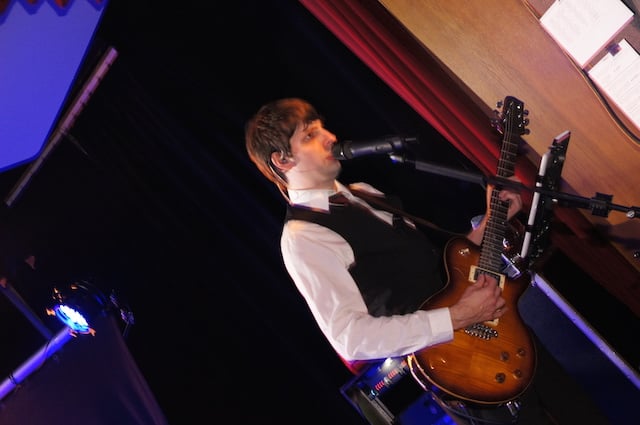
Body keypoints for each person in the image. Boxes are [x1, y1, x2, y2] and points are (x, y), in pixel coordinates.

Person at [244, 97, 611, 425]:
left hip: (502, 334)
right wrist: (458, 317)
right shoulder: (304, 237)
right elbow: (350, 339)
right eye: (310, 135)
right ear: (282, 159)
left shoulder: (364, 194)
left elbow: (440, 273)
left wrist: (490, 220)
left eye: (322, 126)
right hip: (462, 368)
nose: (329, 136)